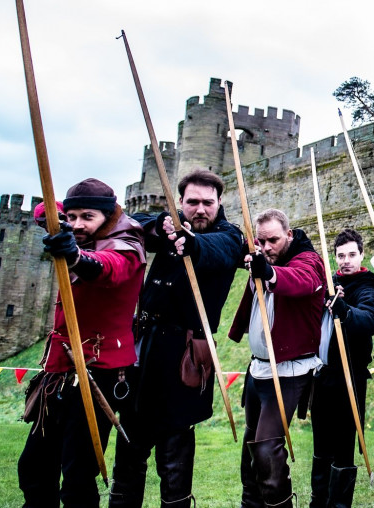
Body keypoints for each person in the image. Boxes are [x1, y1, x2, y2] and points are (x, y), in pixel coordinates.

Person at [111, 169, 244, 507]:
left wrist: (192, 242)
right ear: (180, 203)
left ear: (219, 203)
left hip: (186, 355)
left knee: (174, 459)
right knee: (129, 451)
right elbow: (130, 224)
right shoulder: (169, 226)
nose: (200, 209)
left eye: (208, 203)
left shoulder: (228, 235)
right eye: (192, 202)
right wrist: (162, 225)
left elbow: (221, 250)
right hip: (145, 351)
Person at [19, 179, 145, 507]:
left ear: (108, 216)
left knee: (77, 475)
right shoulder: (77, 228)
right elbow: (43, 208)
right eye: (71, 216)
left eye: (87, 217)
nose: (77, 224)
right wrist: (58, 219)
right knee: (33, 468)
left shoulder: (127, 242)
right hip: (60, 370)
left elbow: (109, 268)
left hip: (98, 373)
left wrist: (75, 255)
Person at [228, 208, 326, 508]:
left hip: (289, 373)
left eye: (273, 240)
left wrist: (268, 272)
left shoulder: (308, 260)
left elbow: (302, 280)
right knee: (251, 451)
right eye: (262, 241)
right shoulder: (261, 256)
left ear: (289, 235)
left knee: (267, 449)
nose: (267, 246)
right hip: (258, 370)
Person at [310, 229, 374, 508]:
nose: (346, 260)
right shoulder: (329, 283)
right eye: (341, 255)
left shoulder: (365, 287)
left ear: (361, 255)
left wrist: (346, 310)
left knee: (342, 449)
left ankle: (339, 506)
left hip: (349, 379)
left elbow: (370, 317)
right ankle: (318, 504)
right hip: (323, 376)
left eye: (352, 254)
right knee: (321, 449)